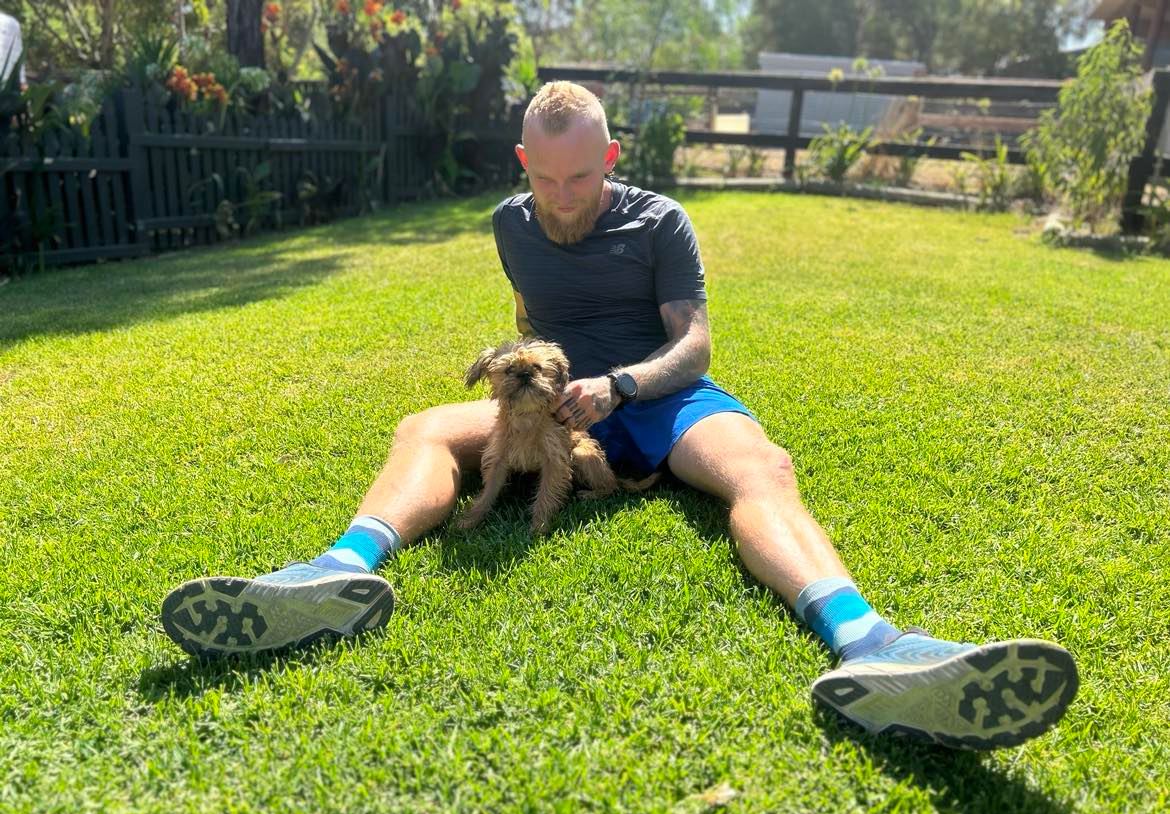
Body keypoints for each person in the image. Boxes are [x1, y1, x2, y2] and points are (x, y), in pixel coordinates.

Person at [161, 82, 1079, 750]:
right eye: (546, 180)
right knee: (423, 427)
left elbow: (696, 346)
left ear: (610, 158)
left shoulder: (661, 221)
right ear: (526, 164)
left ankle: (874, 647)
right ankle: (333, 575)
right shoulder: (509, 222)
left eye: (582, 179)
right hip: (561, 407)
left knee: (761, 467)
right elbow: (531, 322)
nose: (564, 200)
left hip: (659, 396)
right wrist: (549, 402)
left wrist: (626, 385)